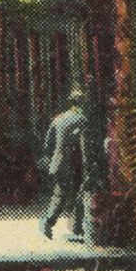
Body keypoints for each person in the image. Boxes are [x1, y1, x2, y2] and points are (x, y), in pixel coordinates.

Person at [41, 88, 90, 241]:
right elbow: (84, 145)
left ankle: (73, 226)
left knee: (63, 194)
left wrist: (50, 160)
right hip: (73, 164)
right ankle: (52, 223)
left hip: (58, 164)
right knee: (76, 194)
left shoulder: (59, 119)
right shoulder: (82, 120)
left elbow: (48, 143)